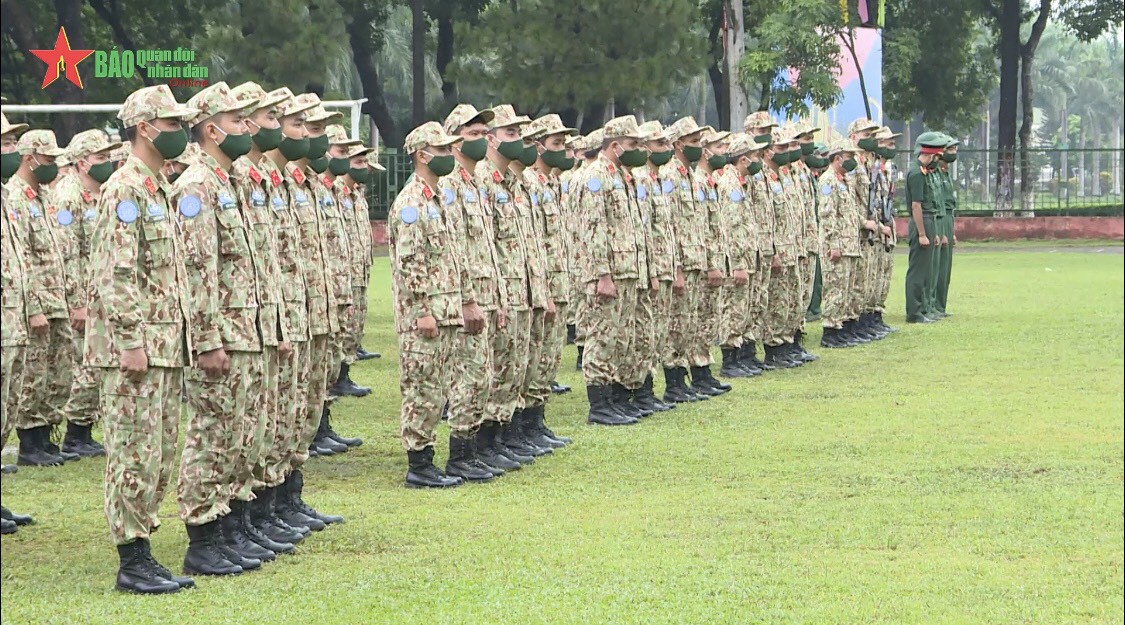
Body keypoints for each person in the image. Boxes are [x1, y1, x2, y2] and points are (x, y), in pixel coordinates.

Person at [87, 84, 198, 594]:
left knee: (158, 451)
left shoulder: (158, 187)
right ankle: (131, 559)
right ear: (145, 128)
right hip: (134, 349)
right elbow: (116, 273)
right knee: (133, 452)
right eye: (172, 124)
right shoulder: (125, 189)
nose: (180, 131)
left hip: (163, 346)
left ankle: (143, 549)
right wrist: (130, 341)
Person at [172, 81, 265, 577]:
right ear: (211, 130)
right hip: (219, 335)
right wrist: (206, 339)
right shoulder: (196, 186)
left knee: (237, 433)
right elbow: (196, 269)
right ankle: (202, 537)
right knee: (211, 433)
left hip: (242, 328)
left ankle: (227, 527)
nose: (247, 127)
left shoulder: (229, 182)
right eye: (236, 121)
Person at [389, 121, 468, 488]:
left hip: (445, 311)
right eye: (443, 150)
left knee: (437, 388)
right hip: (424, 316)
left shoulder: (438, 199)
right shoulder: (411, 203)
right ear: (422, 155)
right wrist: (422, 311)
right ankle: (419, 464)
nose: (450, 155)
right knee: (422, 390)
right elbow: (410, 263)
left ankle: (427, 460)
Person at [441, 104, 514, 476]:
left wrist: (498, 296)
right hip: (465, 300)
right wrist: (466, 300)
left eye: (484, 134)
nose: (482, 140)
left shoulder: (476, 183)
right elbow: (452, 250)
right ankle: (460, 454)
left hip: (488, 294)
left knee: (484, 376)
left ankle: (479, 447)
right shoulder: (449, 186)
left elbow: (488, 247)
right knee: (469, 378)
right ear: (454, 141)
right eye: (472, 134)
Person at [576, 115, 650, 426]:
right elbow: (593, 228)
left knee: (621, 337)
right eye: (633, 144)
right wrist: (602, 275)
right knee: (602, 337)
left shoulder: (623, 176)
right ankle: (599, 404)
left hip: (627, 269)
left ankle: (615, 398)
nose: (639, 150)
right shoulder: (596, 176)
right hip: (608, 273)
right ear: (615, 145)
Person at [52, 129, 121, 457]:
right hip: (81, 296)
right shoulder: (68, 196)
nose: (107, 162)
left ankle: (83, 430)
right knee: (87, 366)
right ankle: (75, 434)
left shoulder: (101, 192)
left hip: (101, 294)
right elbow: (66, 254)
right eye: (100, 157)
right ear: (82, 163)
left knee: (98, 362)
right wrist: (77, 302)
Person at [1, 111, 36, 534]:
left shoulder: (7, 196)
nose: (12, 150)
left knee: (5, 414)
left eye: (12, 142)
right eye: (5, 144)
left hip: (11, 325)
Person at [817, 140, 865, 348]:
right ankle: (830, 331)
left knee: (846, 288)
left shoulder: (845, 180)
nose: (853, 160)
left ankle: (843, 328)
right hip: (837, 245)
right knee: (834, 288)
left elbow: (849, 212)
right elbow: (827, 215)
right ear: (838, 158)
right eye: (849, 157)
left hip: (850, 243)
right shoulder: (828, 181)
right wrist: (834, 244)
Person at [904, 132, 946, 323]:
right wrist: (922, 233)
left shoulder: (923, 171)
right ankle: (914, 312)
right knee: (918, 271)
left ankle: (923, 309)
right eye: (937, 156)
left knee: (927, 270)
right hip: (922, 221)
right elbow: (916, 206)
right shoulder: (916, 173)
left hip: (930, 220)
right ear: (930, 155)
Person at [934, 133, 959, 318]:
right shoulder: (934, 173)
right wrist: (940, 230)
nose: (954, 152)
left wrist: (952, 231)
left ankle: (940, 306)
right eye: (950, 149)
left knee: (945, 268)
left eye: (955, 148)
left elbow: (949, 205)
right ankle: (932, 305)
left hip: (948, 220)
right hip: (939, 220)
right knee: (937, 268)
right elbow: (938, 204)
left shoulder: (945, 173)